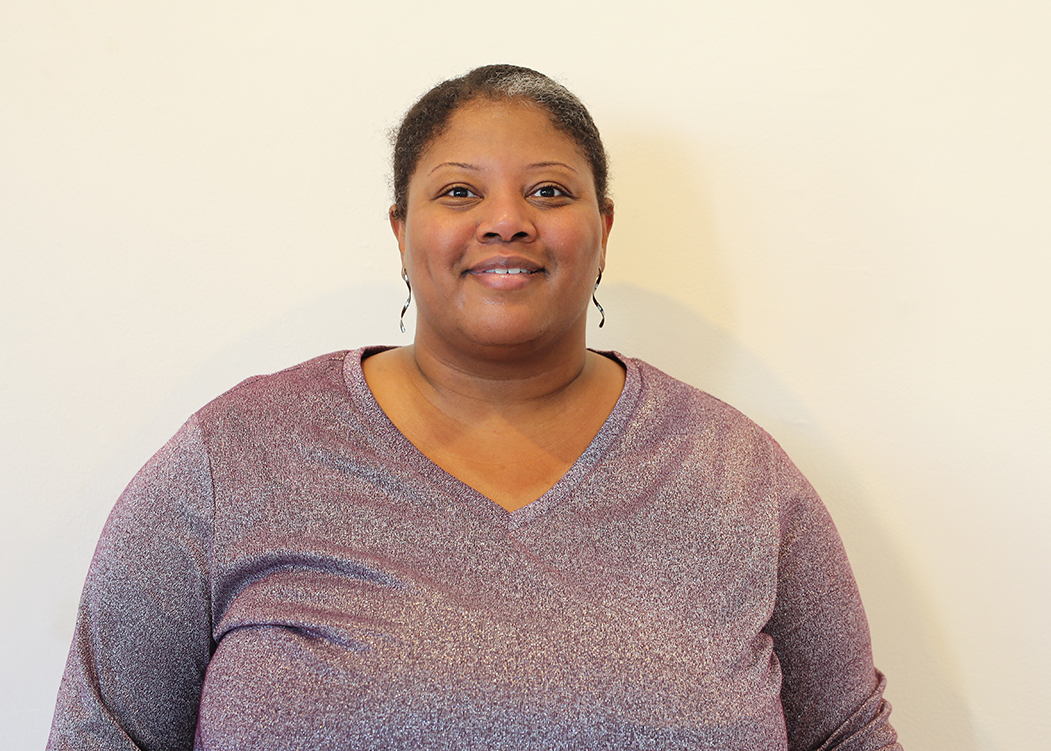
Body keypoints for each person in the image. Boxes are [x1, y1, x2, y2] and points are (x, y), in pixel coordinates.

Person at [47, 64, 901, 750]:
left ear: (603, 226)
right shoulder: (232, 460)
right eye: (459, 192)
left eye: (549, 192)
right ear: (399, 228)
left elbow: (846, 737)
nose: (506, 221)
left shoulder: (737, 475)